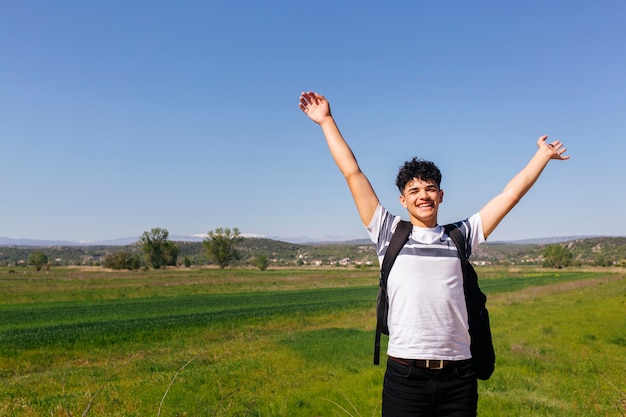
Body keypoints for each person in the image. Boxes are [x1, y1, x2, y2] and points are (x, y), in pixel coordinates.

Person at [298, 91, 570, 417]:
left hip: (459, 376)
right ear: (402, 200)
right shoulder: (388, 232)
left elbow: (509, 195)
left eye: (429, 189)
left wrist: (541, 156)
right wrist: (326, 120)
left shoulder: (460, 237)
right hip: (405, 376)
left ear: (440, 195)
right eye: (414, 190)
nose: (422, 196)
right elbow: (352, 173)